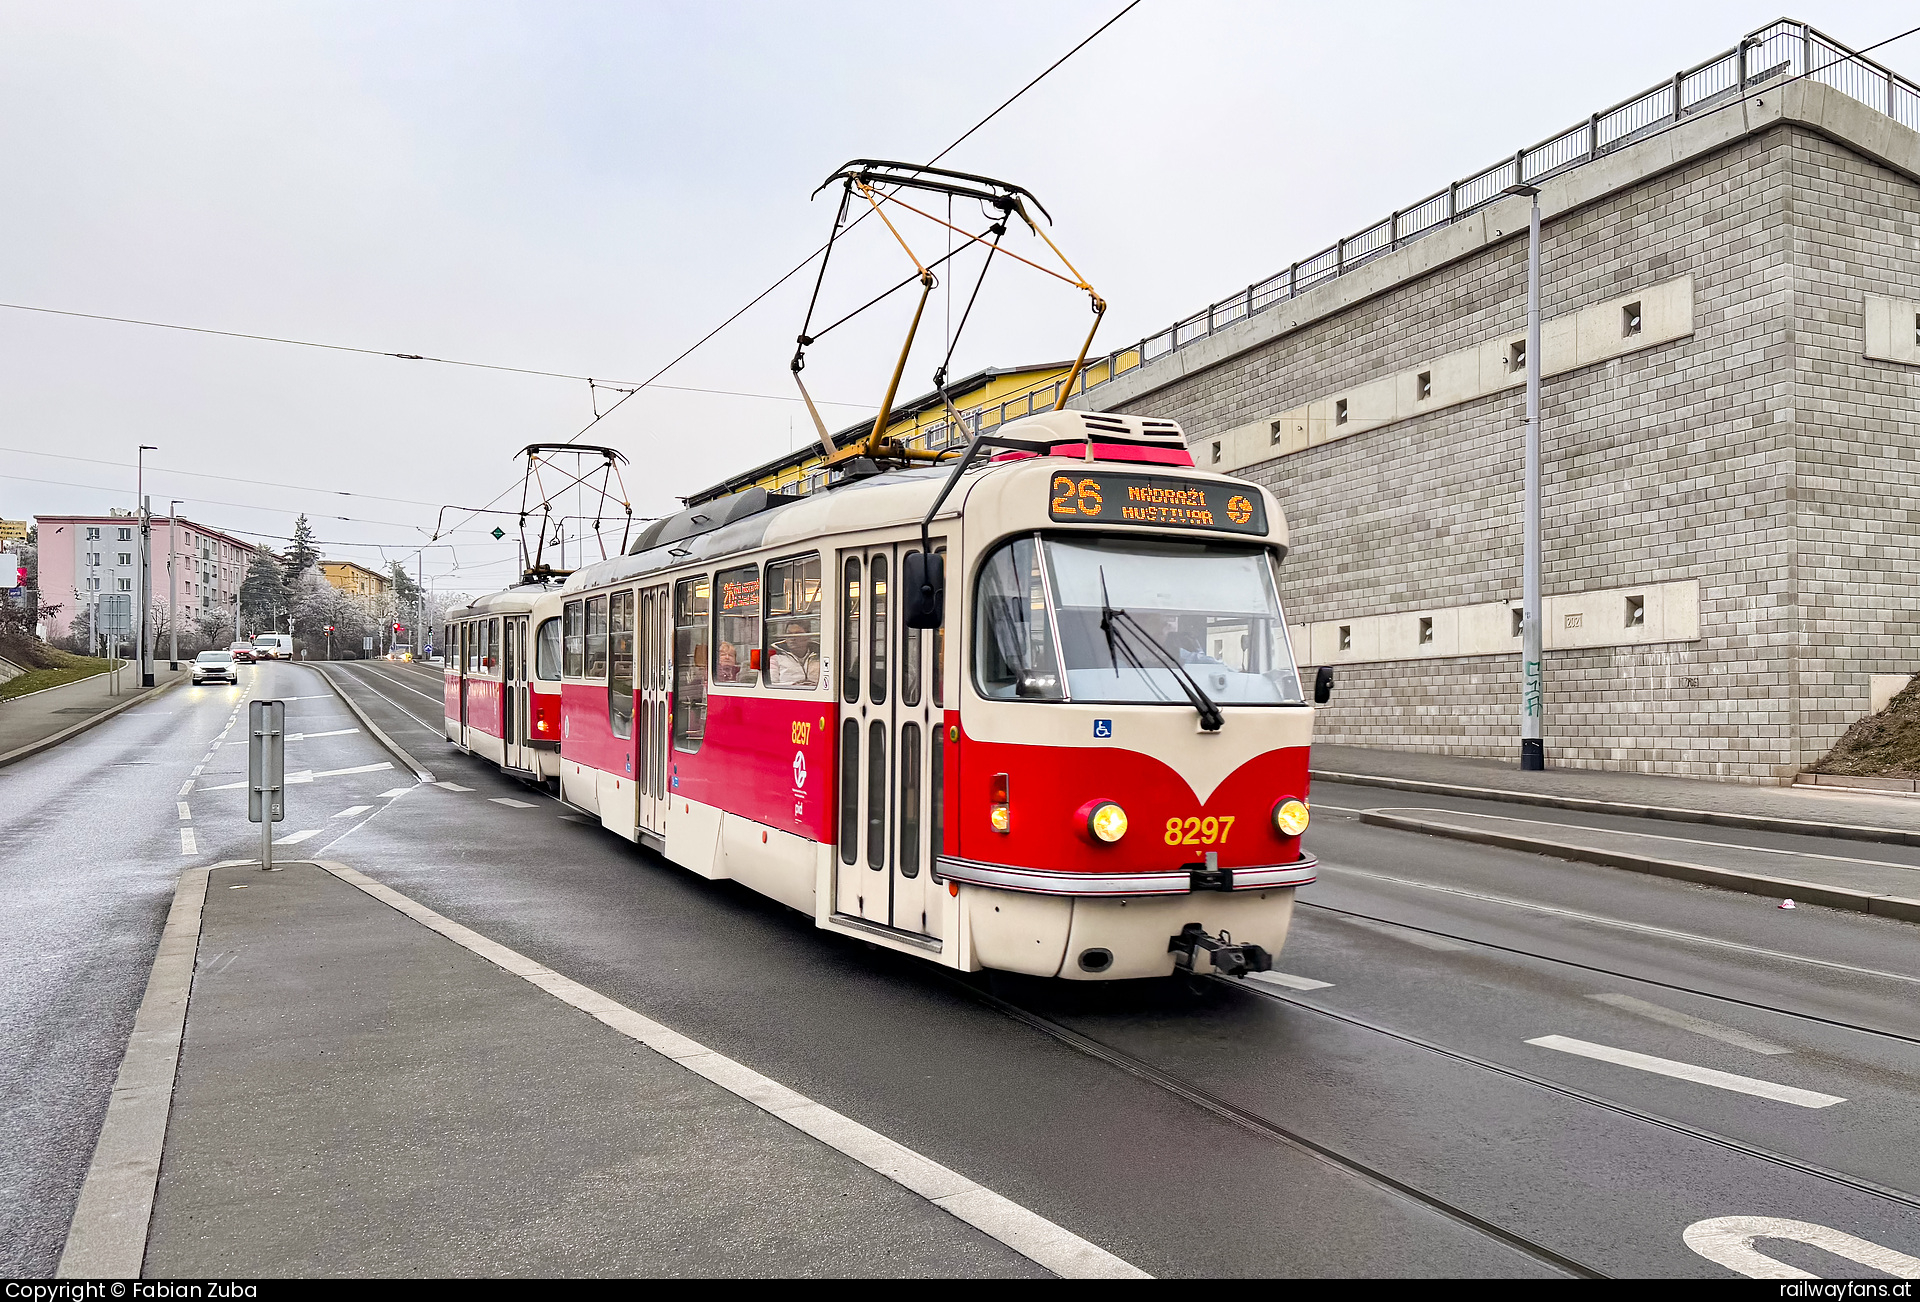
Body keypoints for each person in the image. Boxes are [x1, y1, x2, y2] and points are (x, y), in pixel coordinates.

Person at [768, 620, 816, 686]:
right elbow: (770, 684)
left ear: (808, 636)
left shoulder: (819, 656)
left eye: (798, 634)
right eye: (789, 634)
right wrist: (794, 685)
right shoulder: (776, 658)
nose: (792, 638)